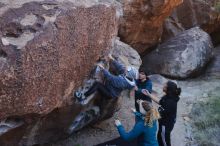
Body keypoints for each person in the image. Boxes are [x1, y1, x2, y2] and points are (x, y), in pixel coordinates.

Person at [142, 81, 181, 146]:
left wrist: (144, 110)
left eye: (164, 86)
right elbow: (160, 102)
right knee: (160, 138)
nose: (163, 86)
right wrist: (149, 94)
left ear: (168, 89)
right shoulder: (168, 96)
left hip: (165, 125)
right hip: (165, 122)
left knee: (165, 141)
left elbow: (156, 114)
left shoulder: (170, 102)